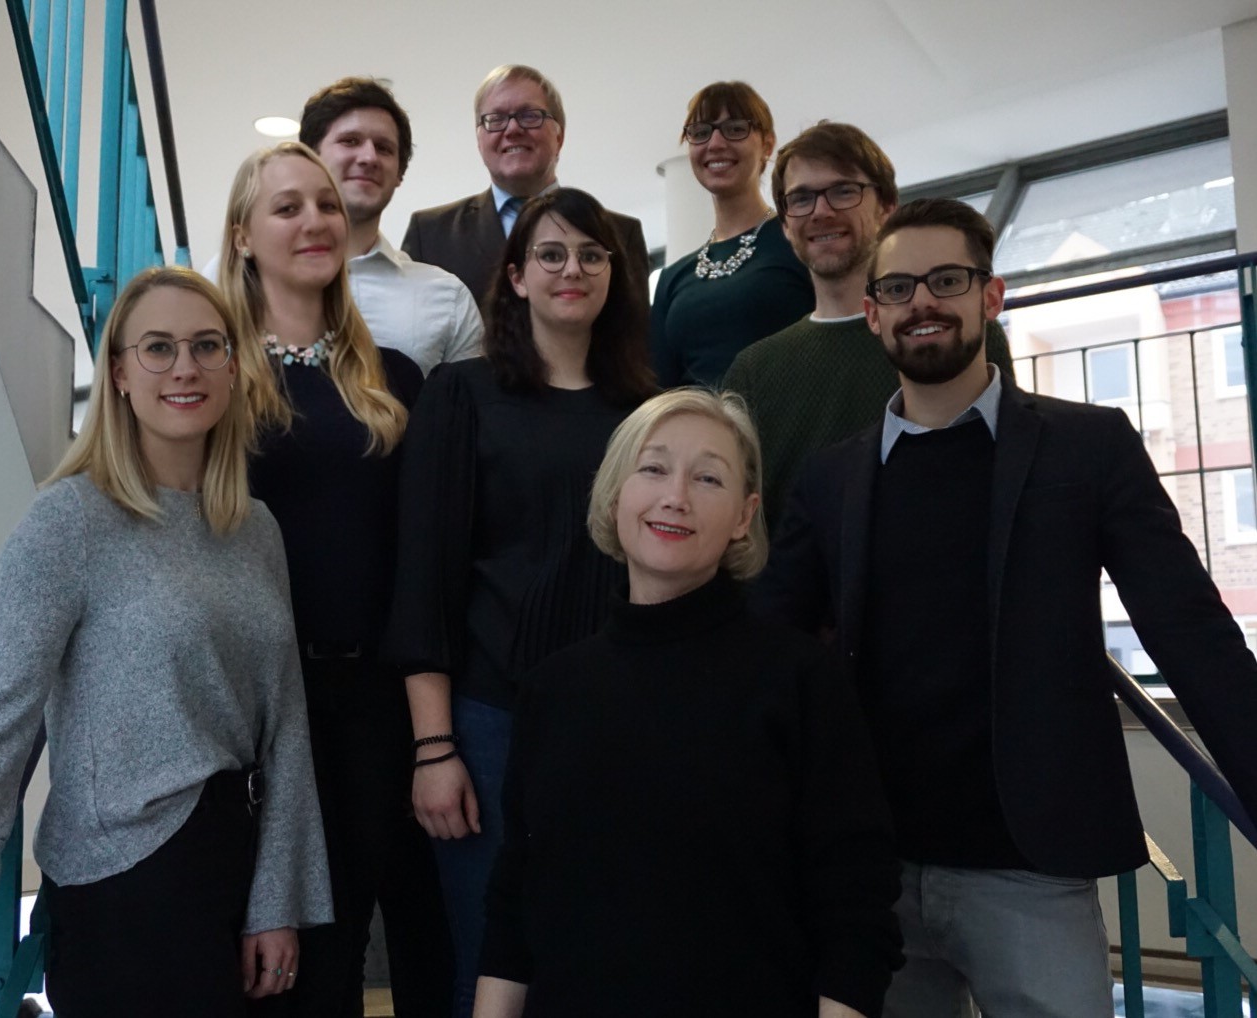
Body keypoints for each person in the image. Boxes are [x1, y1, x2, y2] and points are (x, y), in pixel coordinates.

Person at [756, 198, 1257, 1018]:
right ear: (873, 313)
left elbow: (1190, 628)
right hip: (872, 870)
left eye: (947, 280)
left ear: (991, 296)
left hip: (1032, 869)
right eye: (900, 286)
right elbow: (765, 644)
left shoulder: (1089, 447)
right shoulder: (829, 478)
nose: (923, 302)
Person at [0, 267, 332, 1017]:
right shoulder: (66, 523)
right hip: (123, 884)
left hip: (236, 870)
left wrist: (276, 899)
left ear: (234, 367)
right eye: (158, 348)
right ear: (121, 373)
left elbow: (286, 726)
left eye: (206, 346)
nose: (185, 368)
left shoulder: (255, 528)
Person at [473, 389, 902, 1018]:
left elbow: (856, 907)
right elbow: (516, 902)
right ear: (616, 493)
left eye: (708, 477)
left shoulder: (800, 680)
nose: (676, 495)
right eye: (653, 468)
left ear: (743, 515)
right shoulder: (552, 689)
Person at [384, 188, 657, 1018]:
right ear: (516, 276)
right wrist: (435, 749)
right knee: (493, 958)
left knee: (606, 951)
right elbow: (424, 576)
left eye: (591, 254)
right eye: (551, 254)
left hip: (621, 720)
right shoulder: (463, 395)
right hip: (490, 720)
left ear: (615, 274)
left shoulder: (644, 409)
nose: (572, 269)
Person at [219, 142, 451, 1017]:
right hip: (251, 707)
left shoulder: (395, 381)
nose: (314, 221)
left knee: (346, 944)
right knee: (263, 959)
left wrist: (430, 736)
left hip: (371, 701)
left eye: (323, 204)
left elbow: (419, 559)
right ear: (243, 235)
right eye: (286, 207)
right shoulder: (212, 378)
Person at [721, 122, 1016, 528]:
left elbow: (1006, 478)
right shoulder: (753, 371)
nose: (822, 211)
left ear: (886, 208)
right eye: (801, 198)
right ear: (786, 226)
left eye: (844, 190)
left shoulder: (962, 337)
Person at [401, 65, 650, 306]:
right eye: (496, 119)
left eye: (529, 116)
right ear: (479, 141)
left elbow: (633, 340)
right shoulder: (430, 235)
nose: (512, 129)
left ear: (559, 136)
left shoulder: (621, 235)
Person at [297, 76, 483, 376]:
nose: (369, 157)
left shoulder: (447, 298)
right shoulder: (247, 277)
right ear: (309, 158)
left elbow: (465, 416)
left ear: (399, 174)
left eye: (384, 148)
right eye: (350, 141)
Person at [650, 82, 815, 388]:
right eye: (700, 133)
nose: (715, 143)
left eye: (735, 128)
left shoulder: (801, 242)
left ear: (767, 144)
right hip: (693, 433)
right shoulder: (673, 277)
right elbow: (659, 390)